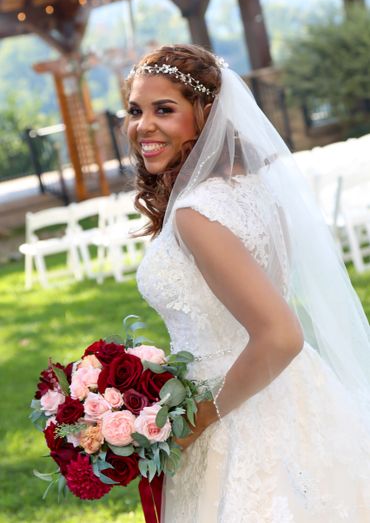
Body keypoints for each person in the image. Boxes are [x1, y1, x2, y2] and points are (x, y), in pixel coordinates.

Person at [124, 44, 370, 522]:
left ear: (206, 114)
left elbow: (280, 335)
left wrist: (195, 423)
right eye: (135, 110)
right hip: (295, 395)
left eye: (164, 110)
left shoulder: (197, 213)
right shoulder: (254, 190)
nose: (143, 126)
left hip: (234, 416)